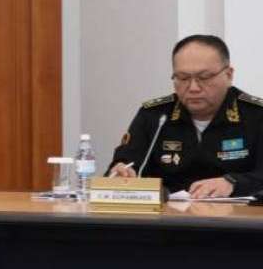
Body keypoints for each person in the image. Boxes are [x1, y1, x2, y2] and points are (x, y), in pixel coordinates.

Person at [108, 35, 263, 198]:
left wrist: (233, 182)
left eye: (204, 77)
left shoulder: (256, 115)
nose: (193, 88)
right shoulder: (155, 116)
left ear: (229, 75)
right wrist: (120, 173)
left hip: (238, 212)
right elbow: (125, 164)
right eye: (183, 78)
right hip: (167, 212)